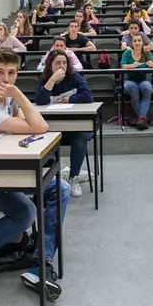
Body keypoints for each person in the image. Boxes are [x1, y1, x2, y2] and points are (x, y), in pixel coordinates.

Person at [0, 47, 69, 301]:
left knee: (60, 188)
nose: (6, 80)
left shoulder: (4, 97)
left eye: (11, 73)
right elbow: (40, 126)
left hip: (5, 169)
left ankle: (43, 262)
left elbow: (31, 122)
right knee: (25, 213)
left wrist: (16, 99)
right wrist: (18, 94)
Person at [35, 49, 93, 198]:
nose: (62, 66)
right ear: (50, 66)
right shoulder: (45, 79)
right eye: (58, 63)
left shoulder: (74, 77)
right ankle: (52, 179)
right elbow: (40, 100)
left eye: (64, 63)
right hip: (53, 127)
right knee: (43, 139)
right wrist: (52, 80)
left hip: (74, 126)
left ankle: (73, 177)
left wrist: (69, 99)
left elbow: (88, 95)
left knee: (80, 138)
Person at [120, 34, 153, 130]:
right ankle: (144, 118)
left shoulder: (146, 52)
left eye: (139, 40)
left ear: (142, 42)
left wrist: (152, 64)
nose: (137, 43)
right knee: (133, 88)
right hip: (129, 80)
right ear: (132, 43)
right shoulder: (127, 52)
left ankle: (141, 118)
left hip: (143, 79)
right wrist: (132, 65)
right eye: (135, 41)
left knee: (148, 88)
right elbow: (123, 66)